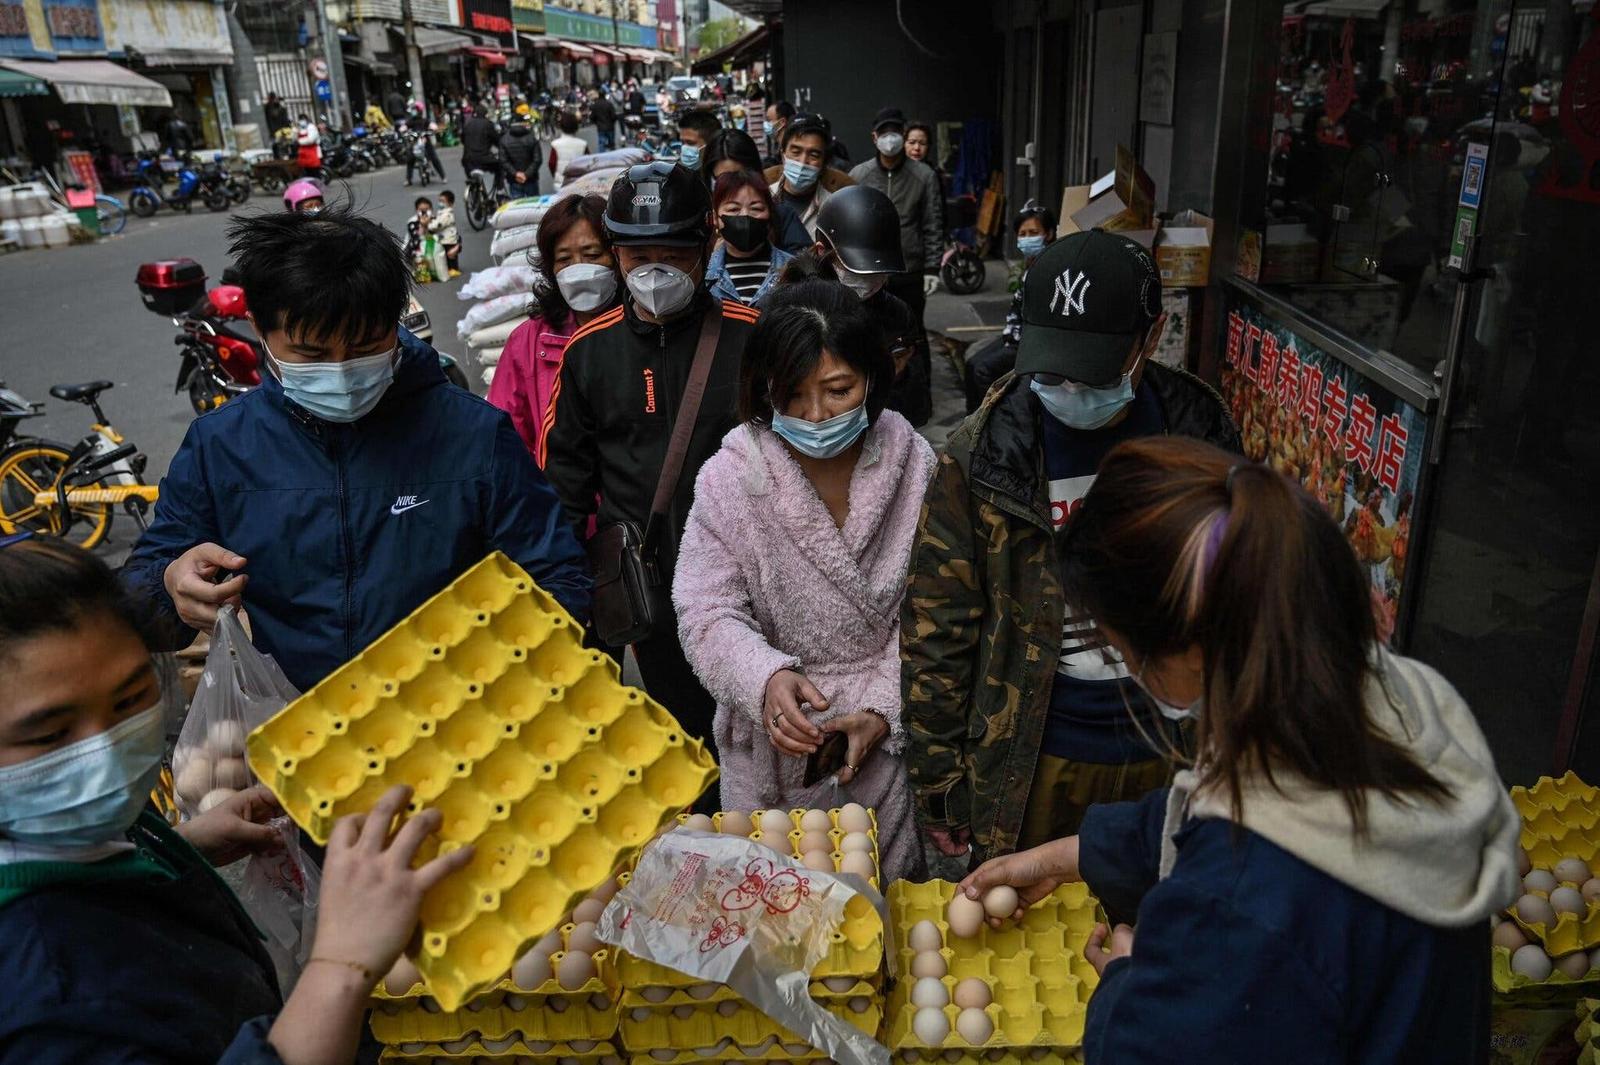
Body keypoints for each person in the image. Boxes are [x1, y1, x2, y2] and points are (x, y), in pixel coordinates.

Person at [958, 436, 1520, 1063]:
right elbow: (1246, 806)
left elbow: (1163, 1043)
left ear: (1193, 652)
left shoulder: (1238, 909)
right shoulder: (1396, 703)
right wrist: (1074, 854)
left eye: (1123, 651)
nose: (1129, 670)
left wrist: (1125, 983)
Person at [0, 536, 477, 1064]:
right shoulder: (55, 1003)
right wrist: (341, 966)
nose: (107, 753)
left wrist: (182, 849)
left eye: (130, 698)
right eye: (49, 734)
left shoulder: (58, 827)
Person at [121, 208, 590, 693]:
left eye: (366, 347)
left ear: (395, 320)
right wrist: (170, 585)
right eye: (312, 354)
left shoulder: (474, 434)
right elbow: (138, 597)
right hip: (301, 726)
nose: (342, 371)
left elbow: (556, 578)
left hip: (455, 714)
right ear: (260, 328)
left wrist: (495, 664)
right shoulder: (221, 446)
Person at [902, 230, 1242, 862]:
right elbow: (938, 625)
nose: (1068, 389)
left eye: (1093, 370)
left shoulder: (1199, 431)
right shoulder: (985, 453)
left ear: (1151, 338)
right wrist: (939, 780)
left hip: (1176, 747)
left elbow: (1243, 588)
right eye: (1049, 368)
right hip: (1034, 754)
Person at [673, 280, 935, 883]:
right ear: (765, 393)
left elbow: (937, 614)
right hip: (773, 757)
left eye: (838, 390)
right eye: (793, 396)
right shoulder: (731, 479)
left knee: (877, 932)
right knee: (771, 929)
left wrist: (882, 708)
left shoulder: (916, 467)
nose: (816, 416)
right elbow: (704, 609)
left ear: (873, 377)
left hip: (880, 745)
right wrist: (764, 678)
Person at [542, 162, 760, 760]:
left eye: (672, 253)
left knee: (755, 739)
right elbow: (562, 486)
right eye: (638, 258)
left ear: (706, 246)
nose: (654, 272)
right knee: (683, 743)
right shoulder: (590, 353)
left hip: (746, 588)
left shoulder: (753, 339)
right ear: (616, 255)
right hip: (648, 594)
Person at [489, 193, 619, 462]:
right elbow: (504, 438)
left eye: (592, 254)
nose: (578, 269)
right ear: (551, 269)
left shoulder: (645, 330)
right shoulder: (528, 342)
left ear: (618, 257)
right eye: (564, 259)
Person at [850, 107, 943, 426]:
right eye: (884, 133)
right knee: (873, 331)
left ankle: (921, 397)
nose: (890, 140)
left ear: (903, 138)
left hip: (910, 268)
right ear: (874, 138)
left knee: (914, 333)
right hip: (872, 269)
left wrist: (932, 267)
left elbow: (933, 223)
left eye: (896, 133)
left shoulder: (923, 175)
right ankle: (877, 396)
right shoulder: (860, 175)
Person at [804, 185, 927, 427]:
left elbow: (915, 407)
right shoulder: (794, 309)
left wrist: (895, 373)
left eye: (878, 271)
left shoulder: (897, 315)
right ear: (822, 252)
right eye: (857, 270)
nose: (870, 281)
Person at [964, 200, 1059, 412]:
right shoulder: (1031, 264)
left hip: (1030, 343)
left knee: (982, 370)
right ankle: (970, 425)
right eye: (1022, 234)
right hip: (1015, 335)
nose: (1027, 239)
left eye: (1033, 232)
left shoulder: (1049, 266)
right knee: (972, 363)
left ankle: (987, 426)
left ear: (1049, 234)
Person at [704, 129, 811, 254]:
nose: (733, 186)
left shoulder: (782, 216)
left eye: (740, 176)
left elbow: (806, 262)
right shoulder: (702, 224)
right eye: (723, 179)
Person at [705, 170, 794, 307]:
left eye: (756, 209)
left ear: (770, 214)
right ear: (716, 217)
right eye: (733, 209)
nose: (745, 216)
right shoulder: (703, 274)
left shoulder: (794, 269)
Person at [765, 113, 854, 239]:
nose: (802, 161)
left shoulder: (834, 206)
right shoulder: (764, 197)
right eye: (796, 152)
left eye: (813, 155)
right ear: (783, 153)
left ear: (824, 162)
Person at [500, 108, 542, 198]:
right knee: (534, 207)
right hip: (531, 179)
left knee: (518, 208)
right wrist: (526, 174)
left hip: (514, 180)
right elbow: (537, 159)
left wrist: (516, 174)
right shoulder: (531, 138)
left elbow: (503, 161)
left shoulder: (504, 139)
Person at [460, 102, 500, 183]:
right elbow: (497, 140)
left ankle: (473, 186)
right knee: (500, 168)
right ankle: (500, 191)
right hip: (484, 159)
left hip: (468, 160)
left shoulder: (467, 124)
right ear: (485, 114)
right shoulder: (488, 124)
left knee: (471, 177)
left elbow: (463, 140)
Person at [548, 111, 588, 189]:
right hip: (580, 182)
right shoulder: (583, 144)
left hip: (562, 183)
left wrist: (556, 176)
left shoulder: (555, 144)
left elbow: (551, 164)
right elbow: (588, 163)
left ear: (561, 127)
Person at [431, 189, 461, 278]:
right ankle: (449, 268)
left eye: (443, 201)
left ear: (450, 203)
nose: (440, 203)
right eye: (439, 201)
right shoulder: (441, 212)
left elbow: (439, 224)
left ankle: (454, 269)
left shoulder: (447, 214)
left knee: (451, 255)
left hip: (449, 239)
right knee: (446, 254)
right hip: (444, 238)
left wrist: (430, 226)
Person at [763, 99, 795, 166]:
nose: (765, 123)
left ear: (782, 122)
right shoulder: (779, 148)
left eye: (769, 120)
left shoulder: (791, 149)